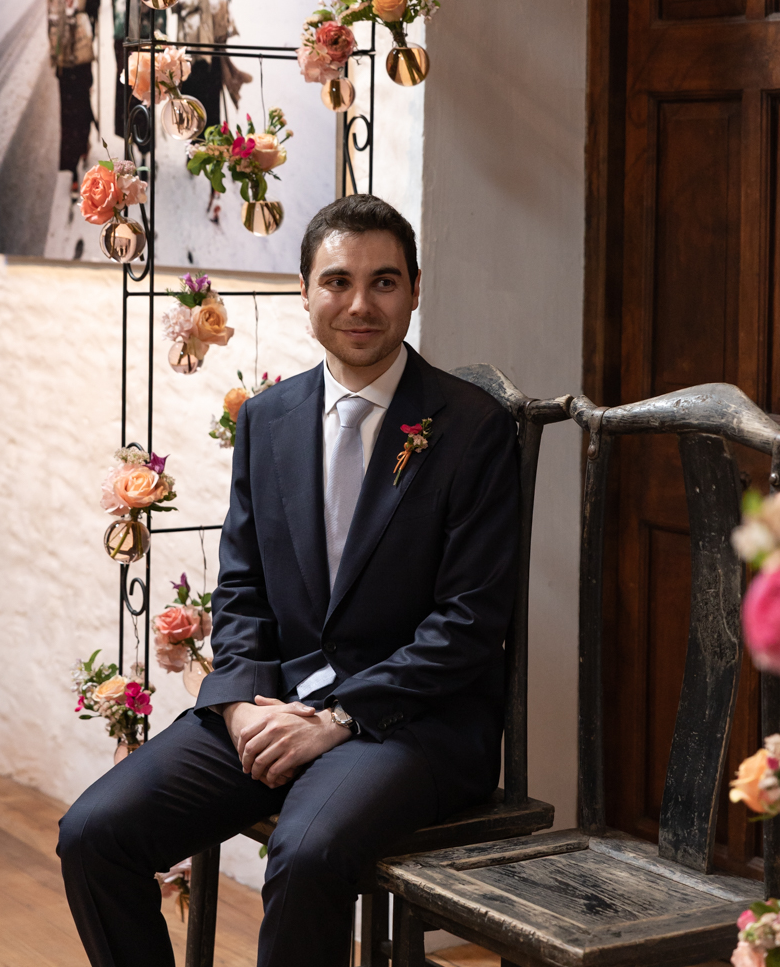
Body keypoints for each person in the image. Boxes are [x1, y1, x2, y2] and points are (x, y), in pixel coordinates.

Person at [58, 194, 519, 967]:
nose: (360, 304)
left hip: (413, 724)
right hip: (273, 703)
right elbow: (240, 590)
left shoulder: (473, 428)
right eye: (338, 281)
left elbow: (468, 623)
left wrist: (336, 717)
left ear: (414, 289)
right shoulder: (267, 418)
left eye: (384, 281)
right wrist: (240, 704)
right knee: (93, 834)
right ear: (305, 292)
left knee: (303, 857)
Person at [46, 0, 100, 196]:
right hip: (81, 46)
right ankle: (84, 149)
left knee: (67, 109)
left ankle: (72, 175)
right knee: (83, 98)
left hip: (62, 51)